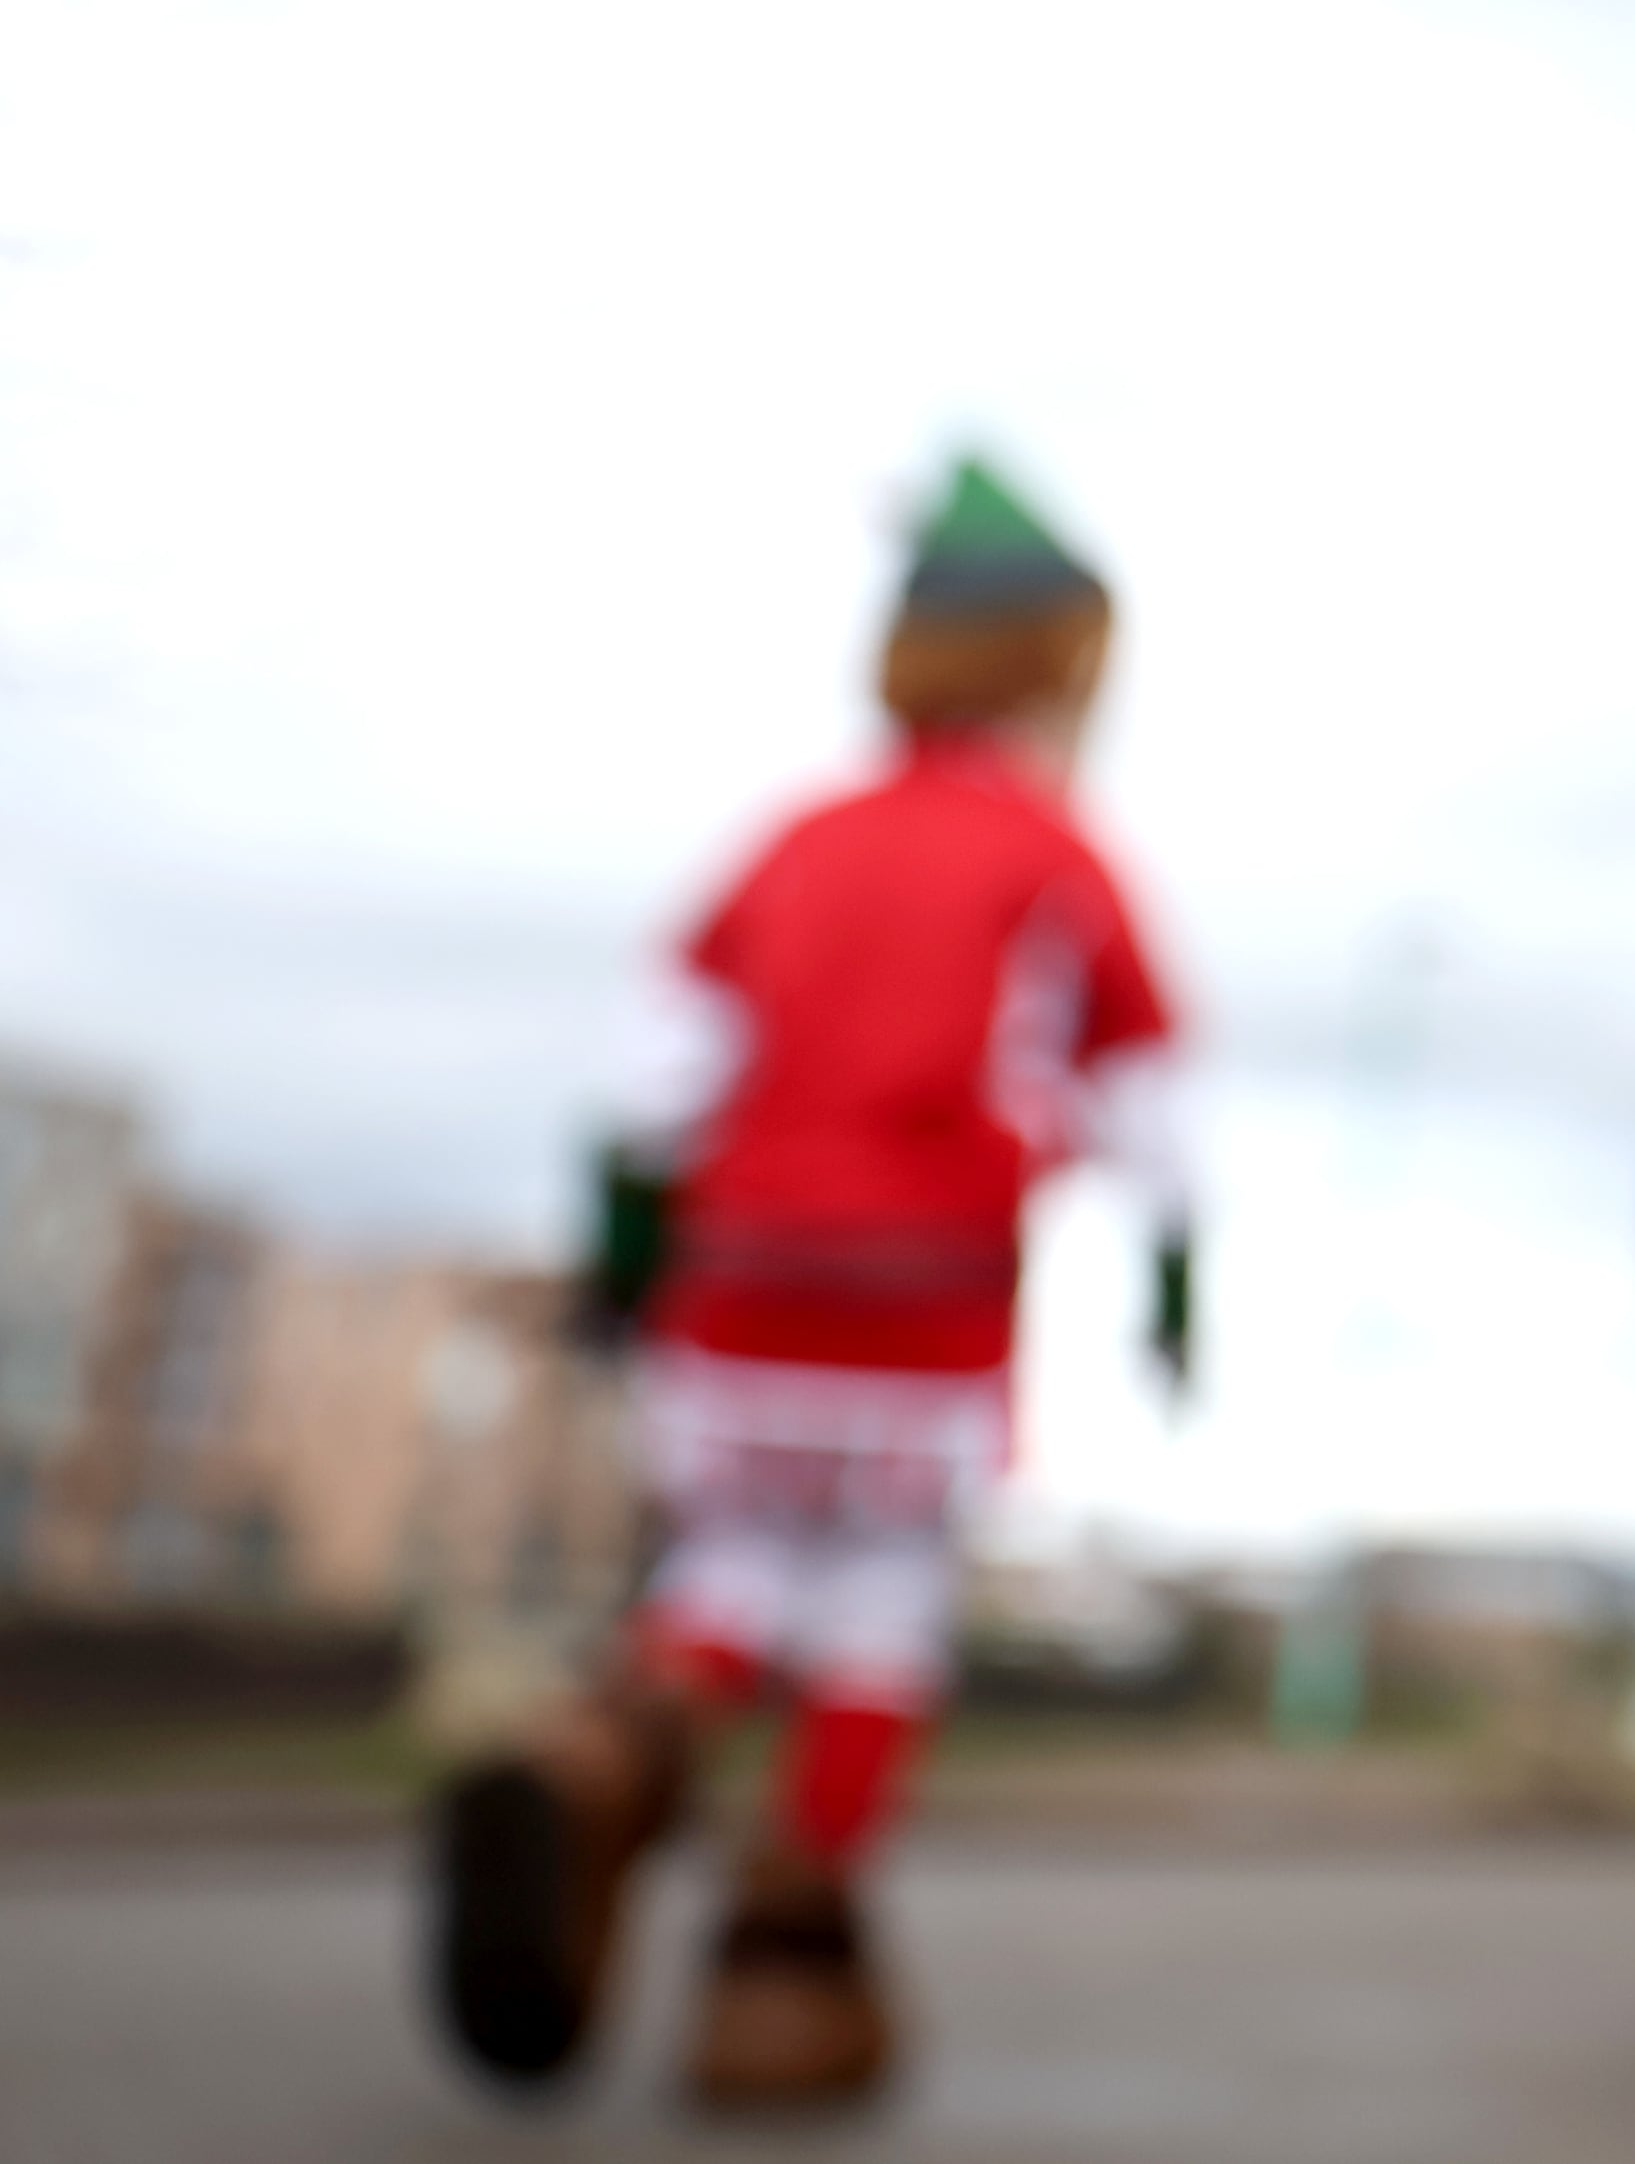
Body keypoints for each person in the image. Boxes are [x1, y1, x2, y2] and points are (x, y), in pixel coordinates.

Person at [427, 456, 1193, 2113]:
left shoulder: (788, 843)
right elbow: (1156, 1113)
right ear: (1055, 666)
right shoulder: (1059, 855)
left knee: (730, 1573)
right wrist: (1177, 1300)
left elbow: (648, 1091)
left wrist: (629, 1283)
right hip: (923, 1306)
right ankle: (776, 1983)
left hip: (741, 1292)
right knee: (876, 1622)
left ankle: (589, 1757)